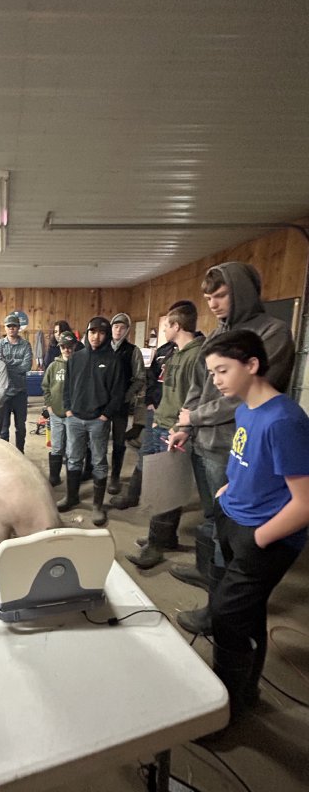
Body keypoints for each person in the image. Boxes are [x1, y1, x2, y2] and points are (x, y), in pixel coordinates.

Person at [168, 262, 295, 636]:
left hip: (234, 446)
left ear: (242, 291)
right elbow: (198, 385)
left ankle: (220, 610)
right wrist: (183, 425)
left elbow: (247, 395)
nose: (213, 303)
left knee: (235, 529)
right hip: (204, 441)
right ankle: (209, 578)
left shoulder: (272, 333)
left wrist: (197, 417)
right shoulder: (218, 333)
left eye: (220, 295)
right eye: (208, 297)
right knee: (213, 519)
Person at [200, 330, 309, 721]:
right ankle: (246, 692)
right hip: (236, 517)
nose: (216, 380)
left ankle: (226, 708)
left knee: (228, 615)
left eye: (222, 370)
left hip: (265, 535)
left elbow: (305, 504)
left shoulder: (284, 420)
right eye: (212, 372)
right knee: (246, 611)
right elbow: (246, 459)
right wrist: (228, 491)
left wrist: (258, 538)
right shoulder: (245, 409)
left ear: (252, 365)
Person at [125, 303, 204, 568]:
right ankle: (163, 537)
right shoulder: (177, 353)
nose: (163, 330)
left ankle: (156, 547)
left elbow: (197, 398)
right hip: (162, 421)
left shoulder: (197, 356)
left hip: (175, 430)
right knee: (163, 484)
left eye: (166, 325)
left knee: (166, 488)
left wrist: (182, 428)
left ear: (176, 326)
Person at [58, 316, 126, 526]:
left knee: (98, 462)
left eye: (101, 333)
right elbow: (67, 387)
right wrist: (68, 409)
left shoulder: (113, 360)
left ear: (106, 336)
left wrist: (106, 414)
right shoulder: (76, 358)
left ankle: (97, 506)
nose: (96, 337)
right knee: (73, 458)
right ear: (87, 333)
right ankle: (72, 497)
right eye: (92, 332)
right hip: (75, 418)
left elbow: (118, 392)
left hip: (98, 420)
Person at [106, 313, 146, 495]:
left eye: (122, 327)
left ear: (127, 331)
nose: (118, 330)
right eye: (115, 326)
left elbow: (140, 378)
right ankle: (94, 472)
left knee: (119, 441)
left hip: (121, 405)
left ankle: (115, 476)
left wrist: (127, 396)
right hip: (102, 404)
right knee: (97, 439)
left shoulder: (133, 351)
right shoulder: (103, 347)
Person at [41, 331, 77, 486]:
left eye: (69, 347)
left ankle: (72, 478)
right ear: (60, 347)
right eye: (63, 347)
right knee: (56, 445)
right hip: (55, 413)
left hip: (73, 415)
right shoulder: (53, 366)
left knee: (72, 447)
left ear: (74, 347)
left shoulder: (79, 365)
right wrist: (49, 406)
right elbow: (46, 386)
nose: (66, 350)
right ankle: (54, 476)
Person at [0, 314, 33, 453]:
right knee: (4, 428)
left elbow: (27, 367)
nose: (11, 328)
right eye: (9, 326)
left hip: (20, 393)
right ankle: (6, 455)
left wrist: (7, 366)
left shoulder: (26, 345)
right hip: (3, 393)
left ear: (18, 328)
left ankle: (20, 452)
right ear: (5, 328)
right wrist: (15, 366)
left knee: (20, 427)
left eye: (14, 326)